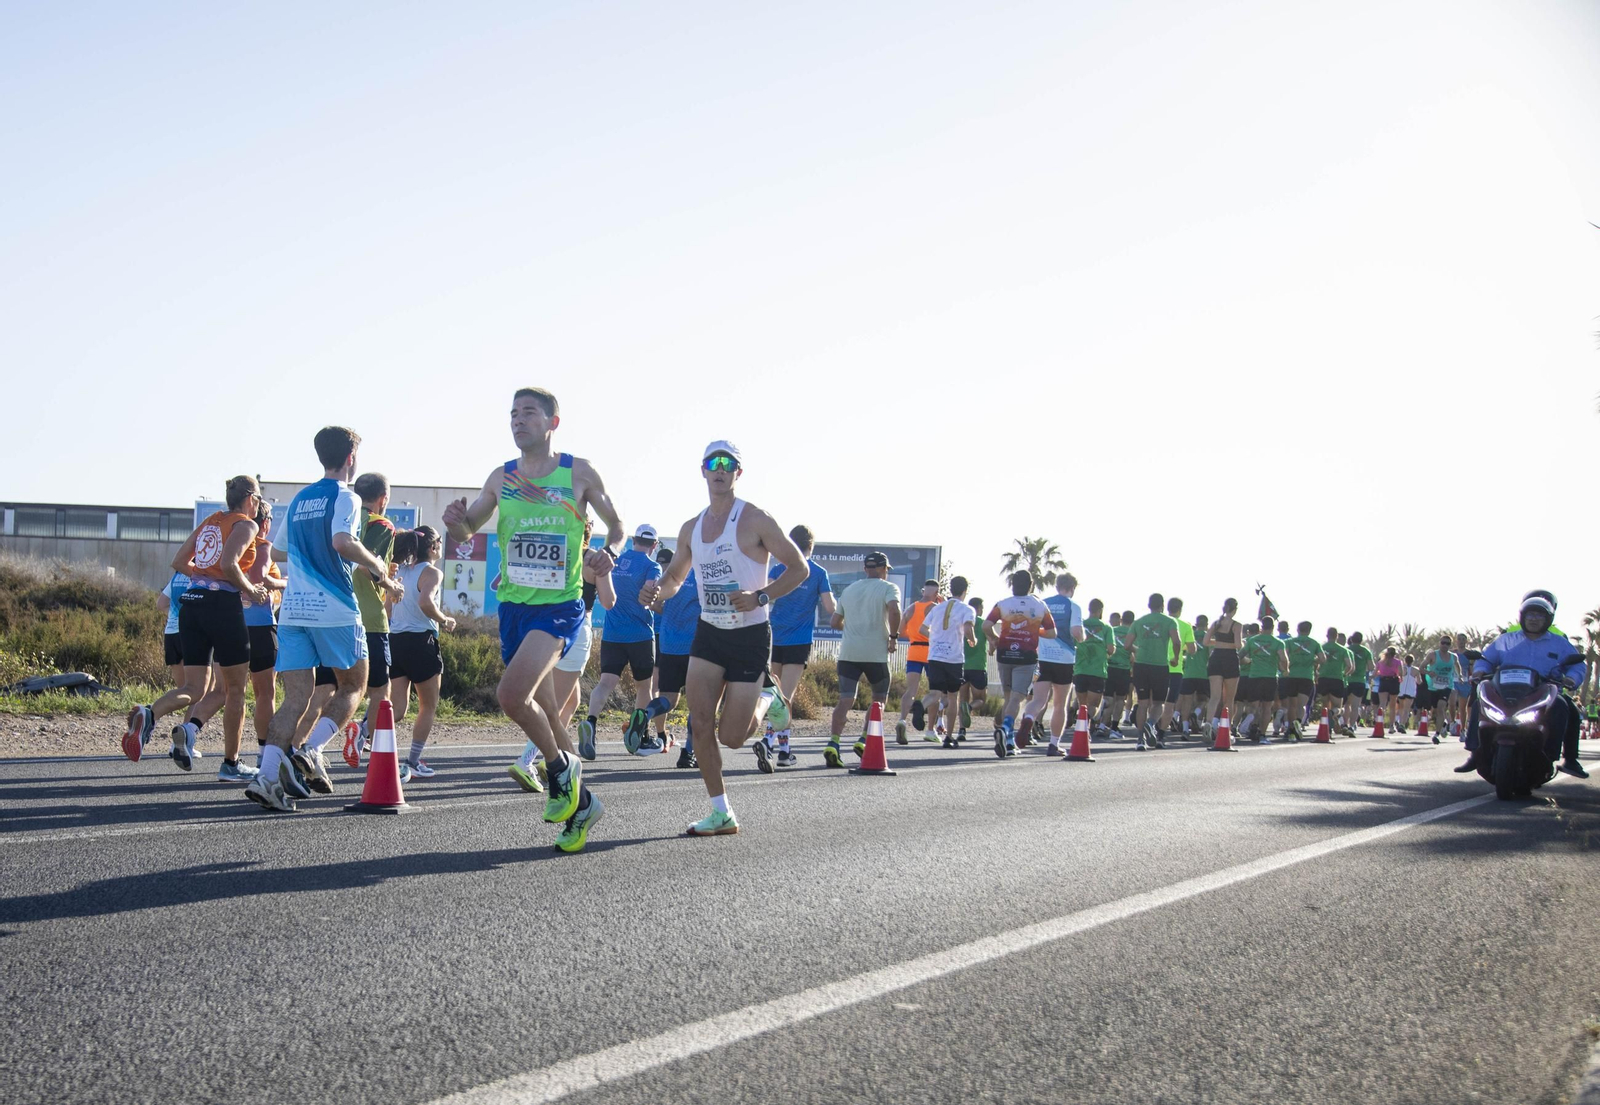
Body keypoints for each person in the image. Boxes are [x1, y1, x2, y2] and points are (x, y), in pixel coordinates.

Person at [438, 389, 623, 852]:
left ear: (552, 422)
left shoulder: (578, 472)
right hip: (514, 608)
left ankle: (561, 772)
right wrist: (455, 521)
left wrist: (611, 552)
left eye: (529, 413)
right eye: (513, 414)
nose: (518, 421)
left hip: (559, 607)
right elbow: (468, 528)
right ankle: (584, 808)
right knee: (552, 722)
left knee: (510, 696)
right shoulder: (502, 477)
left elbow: (616, 524)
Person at [642, 440, 809, 835]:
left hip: (751, 635)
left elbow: (798, 568)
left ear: (738, 472)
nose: (720, 469)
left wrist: (761, 596)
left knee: (733, 737)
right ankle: (721, 812)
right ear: (702, 470)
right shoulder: (691, 528)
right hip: (710, 633)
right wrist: (656, 592)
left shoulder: (755, 519)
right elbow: (675, 579)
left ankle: (769, 697)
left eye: (728, 463)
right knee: (699, 723)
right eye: (713, 463)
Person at [246, 429, 403, 813]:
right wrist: (376, 564)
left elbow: (280, 550)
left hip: (294, 610)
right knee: (355, 684)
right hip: (333, 607)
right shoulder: (345, 496)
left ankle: (265, 778)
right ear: (351, 457)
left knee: (296, 697)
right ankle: (312, 751)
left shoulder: (300, 498)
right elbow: (342, 542)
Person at [124, 476, 270, 778]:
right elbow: (230, 565)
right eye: (257, 498)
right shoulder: (246, 525)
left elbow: (179, 561)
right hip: (222, 607)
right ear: (250, 498)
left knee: (193, 688)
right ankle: (231, 764)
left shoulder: (211, 521)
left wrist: (204, 579)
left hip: (191, 603)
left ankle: (149, 713)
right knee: (235, 691)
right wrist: (250, 590)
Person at [510, 516, 616, 787]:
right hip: (578, 629)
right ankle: (527, 762)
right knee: (551, 708)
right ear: (588, 532)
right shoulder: (593, 560)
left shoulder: (553, 552)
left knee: (572, 701)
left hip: (547, 629)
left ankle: (549, 758)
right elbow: (609, 600)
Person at [1456, 593, 1588, 778]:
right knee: (1480, 703)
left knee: (1565, 707)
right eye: (1530, 615)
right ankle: (1474, 753)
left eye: (1539, 615)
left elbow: (1578, 665)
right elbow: (1486, 659)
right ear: (1522, 617)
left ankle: (1566, 758)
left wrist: (1572, 678)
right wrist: (1479, 670)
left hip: (1545, 690)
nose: (1534, 619)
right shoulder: (1506, 639)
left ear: (1548, 619)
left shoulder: (1560, 643)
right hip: (1506, 689)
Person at [584, 523, 662, 756]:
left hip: (612, 634)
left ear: (633, 540)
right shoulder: (652, 566)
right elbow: (648, 594)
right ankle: (640, 737)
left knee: (605, 682)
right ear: (654, 545)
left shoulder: (614, 561)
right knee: (644, 687)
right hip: (640, 635)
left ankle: (590, 722)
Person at [386, 526, 457, 778]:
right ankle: (413, 761)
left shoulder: (400, 571)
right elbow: (425, 602)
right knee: (428, 705)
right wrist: (444, 619)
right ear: (433, 547)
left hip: (395, 640)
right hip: (421, 642)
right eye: (439, 541)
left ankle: (363, 729)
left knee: (397, 707)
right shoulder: (432, 573)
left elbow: (388, 608)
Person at [765, 525, 835, 765]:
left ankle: (782, 750)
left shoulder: (777, 569)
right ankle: (770, 743)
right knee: (786, 696)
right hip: (799, 639)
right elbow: (830, 608)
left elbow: (766, 595)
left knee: (775, 693)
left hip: (775, 636)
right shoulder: (818, 572)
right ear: (811, 546)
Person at [349, 473, 399, 753]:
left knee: (330, 687)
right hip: (369, 616)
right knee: (380, 688)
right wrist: (391, 585)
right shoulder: (381, 524)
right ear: (383, 499)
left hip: (334, 612)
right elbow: (366, 565)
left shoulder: (344, 519)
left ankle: (304, 747)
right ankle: (364, 733)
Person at [984, 570, 1057, 757]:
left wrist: (994, 639)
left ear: (1012, 585)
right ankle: (1006, 729)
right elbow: (1052, 633)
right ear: (1031, 585)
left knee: (1008, 698)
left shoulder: (1003, 604)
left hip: (1005, 653)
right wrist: (1035, 631)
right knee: (1017, 698)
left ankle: (1008, 743)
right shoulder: (1040, 605)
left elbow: (986, 625)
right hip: (1026, 656)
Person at [1024, 574, 1086, 756]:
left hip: (1042, 657)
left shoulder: (1043, 604)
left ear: (1057, 586)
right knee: (1060, 704)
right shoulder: (1073, 606)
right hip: (1064, 659)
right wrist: (1082, 638)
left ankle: (1028, 719)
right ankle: (1053, 744)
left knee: (1038, 699)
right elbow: (1076, 631)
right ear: (1072, 588)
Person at [649, 564, 702, 770]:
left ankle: (645, 715)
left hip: (668, 645)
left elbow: (655, 605)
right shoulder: (704, 573)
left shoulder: (672, 574)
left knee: (668, 699)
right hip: (694, 646)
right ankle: (688, 752)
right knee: (697, 703)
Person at [921, 576, 978, 750]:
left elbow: (922, 628)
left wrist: (936, 639)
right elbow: (968, 628)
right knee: (953, 696)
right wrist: (972, 640)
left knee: (935, 693)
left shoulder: (937, 608)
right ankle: (949, 736)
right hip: (953, 658)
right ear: (965, 591)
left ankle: (920, 706)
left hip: (935, 655)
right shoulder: (967, 609)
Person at [1127, 593, 1182, 749]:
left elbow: (1126, 645)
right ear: (1162, 605)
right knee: (1158, 703)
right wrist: (1176, 658)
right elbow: (1177, 641)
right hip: (1159, 666)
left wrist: (1137, 650)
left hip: (1141, 665)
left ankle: (1139, 740)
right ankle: (1150, 724)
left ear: (1149, 605)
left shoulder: (1138, 622)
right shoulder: (1170, 621)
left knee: (1142, 703)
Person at [896, 579, 940, 742]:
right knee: (935, 692)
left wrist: (915, 635)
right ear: (936, 594)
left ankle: (902, 720)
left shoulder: (910, 608)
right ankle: (930, 730)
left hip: (914, 650)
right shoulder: (935, 608)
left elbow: (901, 632)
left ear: (923, 591)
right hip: (931, 651)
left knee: (911, 690)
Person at [1239, 622, 1288, 742]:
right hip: (1270, 677)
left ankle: (1252, 722)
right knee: (1267, 707)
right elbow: (1283, 658)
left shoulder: (1252, 640)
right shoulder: (1278, 642)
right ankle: (1262, 734)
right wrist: (1285, 670)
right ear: (1272, 628)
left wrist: (1248, 661)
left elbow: (1240, 655)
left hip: (1254, 676)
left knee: (1254, 705)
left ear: (1262, 628)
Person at [1203, 598, 1243, 736]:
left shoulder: (1216, 623)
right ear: (1235, 609)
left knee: (1214, 697)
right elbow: (1238, 645)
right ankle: (1227, 727)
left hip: (1216, 658)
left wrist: (1219, 642)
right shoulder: (1237, 625)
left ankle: (1208, 723)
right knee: (1229, 699)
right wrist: (1227, 643)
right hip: (1230, 659)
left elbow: (1205, 641)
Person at [1160, 596, 1196, 736]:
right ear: (1180, 609)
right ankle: (1161, 733)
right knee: (1170, 703)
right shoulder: (1186, 625)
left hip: (1158, 665)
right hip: (1175, 668)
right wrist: (1183, 648)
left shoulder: (1161, 622)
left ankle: (1151, 725)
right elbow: (1192, 650)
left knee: (1155, 701)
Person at [1282, 621, 1322, 740]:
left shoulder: (1289, 642)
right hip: (1306, 677)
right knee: (1302, 705)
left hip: (1291, 676)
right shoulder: (1314, 643)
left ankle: (1291, 729)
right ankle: (1298, 722)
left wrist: (1286, 667)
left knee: (1291, 705)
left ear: (1297, 629)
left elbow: (1284, 657)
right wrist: (1313, 661)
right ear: (1309, 630)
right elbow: (1323, 659)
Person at [958, 595, 990, 741]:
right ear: (977, 608)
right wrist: (993, 649)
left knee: (962, 699)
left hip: (962, 665)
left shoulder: (961, 622)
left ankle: (961, 730)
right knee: (981, 699)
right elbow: (994, 639)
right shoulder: (983, 623)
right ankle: (970, 709)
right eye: (982, 607)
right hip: (978, 666)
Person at [1177, 613, 1210, 738]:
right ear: (1206, 624)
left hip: (1188, 673)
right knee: (1205, 699)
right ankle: (1196, 714)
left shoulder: (1189, 635)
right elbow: (1211, 655)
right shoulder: (1208, 637)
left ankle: (1185, 729)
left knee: (1187, 701)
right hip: (1203, 673)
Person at [1315, 628, 1353, 733]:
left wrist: (1316, 673)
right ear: (1336, 636)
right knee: (1338, 707)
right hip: (1337, 679)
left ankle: (1327, 727)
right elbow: (1349, 666)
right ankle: (1332, 713)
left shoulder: (1322, 647)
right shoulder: (1343, 650)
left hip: (1323, 679)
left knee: (1325, 705)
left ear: (1327, 636)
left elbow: (1316, 662)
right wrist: (1344, 673)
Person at [1420, 635, 1459, 739]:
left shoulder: (1453, 657)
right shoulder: (1432, 655)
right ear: (1439, 643)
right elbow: (1421, 668)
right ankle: (1443, 725)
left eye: (1448, 643)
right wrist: (1429, 672)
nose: (1445, 645)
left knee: (1441, 707)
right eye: (1443, 643)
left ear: (1450, 645)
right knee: (1436, 710)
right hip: (1433, 686)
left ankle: (1436, 734)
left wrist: (1461, 677)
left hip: (1447, 685)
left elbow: (1457, 666)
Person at [1101, 611, 1132, 738]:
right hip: (1123, 669)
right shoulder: (1132, 634)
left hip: (1110, 667)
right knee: (1120, 699)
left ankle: (1102, 726)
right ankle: (1114, 727)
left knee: (1108, 698)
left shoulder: (1112, 630)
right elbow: (1133, 655)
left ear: (1121, 619)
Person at [1346, 631, 1374, 736]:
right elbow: (1371, 667)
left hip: (1347, 679)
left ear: (1351, 639)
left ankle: (1344, 723)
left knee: (1346, 704)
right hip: (1360, 680)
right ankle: (1352, 725)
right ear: (1361, 640)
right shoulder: (1366, 651)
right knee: (1355, 705)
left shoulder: (1347, 649)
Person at [1373, 647, 1404, 734]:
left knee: (1382, 704)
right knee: (1392, 706)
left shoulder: (1381, 662)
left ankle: (1379, 722)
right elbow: (1401, 673)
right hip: (1394, 681)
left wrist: (1381, 673)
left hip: (1383, 682)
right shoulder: (1398, 662)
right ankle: (1391, 725)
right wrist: (1400, 678)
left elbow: (1375, 673)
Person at [1396, 654, 1419, 732]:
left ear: (1405, 660)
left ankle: (1399, 721)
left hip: (1401, 690)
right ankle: (1402, 724)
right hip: (1410, 691)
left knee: (1401, 708)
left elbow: (1397, 677)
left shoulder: (1402, 669)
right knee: (1406, 709)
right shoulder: (1416, 670)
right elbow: (1419, 681)